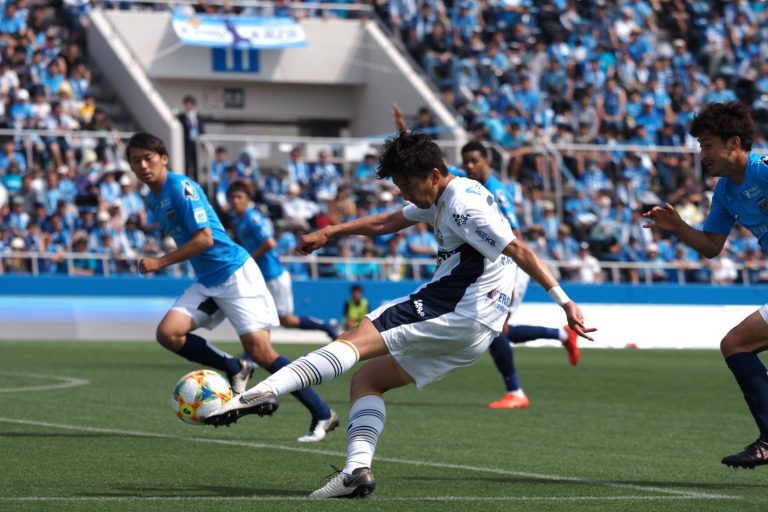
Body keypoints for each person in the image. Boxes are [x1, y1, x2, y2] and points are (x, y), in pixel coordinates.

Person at [204, 131, 595, 497]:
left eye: (408, 185)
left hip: (453, 308)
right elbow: (387, 221)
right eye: (399, 186)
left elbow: (520, 249)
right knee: (367, 380)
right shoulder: (440, 196)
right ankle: (356, 472)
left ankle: (260, 393)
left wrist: (565, 302)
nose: (405, 194)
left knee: (353, 340)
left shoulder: (464, 206)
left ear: (435, 174)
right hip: (477, 329)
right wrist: (332, 232)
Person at [127, 132, 338, 443]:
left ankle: (322, 412)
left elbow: (205, 239)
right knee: (168, 333)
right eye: (136, 161)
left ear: (164, 159)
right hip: (209, 280)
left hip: (235, 273)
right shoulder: (152, 198)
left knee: (262, 352)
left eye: (148, 158)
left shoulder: (181, 187)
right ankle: (234, 367)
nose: (143, 166)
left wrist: (161, 261)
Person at [643, 101, 768, 469]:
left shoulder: (763, 170)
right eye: (700, 145)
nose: (703, 154)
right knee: (736, 345)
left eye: (708, 144)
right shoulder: (727, 191)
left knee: (736, 344)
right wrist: (679, 228)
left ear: (733, 143)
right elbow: (712, 247)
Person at [461, 140, 580, 409]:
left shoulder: (496, 191)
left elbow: (516, 234)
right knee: (498, 329)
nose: (469, 166)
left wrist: (513, 276)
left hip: (510, 267)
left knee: (493, 330)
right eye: (466, 162)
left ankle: (515, 392)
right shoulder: (470, 184)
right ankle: (561, 336)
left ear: (487, 162)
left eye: (474, 161)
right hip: (498, 268)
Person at [226, 180, 339, 341]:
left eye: (239, 197)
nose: (235, 201)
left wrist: (249, 259)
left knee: (287, 321)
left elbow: (270, 243)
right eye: (232, 197)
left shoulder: (253, 218)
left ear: (247, 199)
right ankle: (256, 350)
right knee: (256, 315)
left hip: (274, 275)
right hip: (260, 276)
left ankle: (326, 326)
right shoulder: (238, 220)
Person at [177, 95, 204, 180]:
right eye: (187, 104)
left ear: (194, 105)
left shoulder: (198, 117)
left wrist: (203, 145)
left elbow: (202, 131)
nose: (188, 106)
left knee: (196, 164)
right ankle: (186, 181)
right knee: (186, 164)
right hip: (186, 143)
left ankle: (196, 181)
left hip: (196, 143)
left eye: (190, 104)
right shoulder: (181, 117)